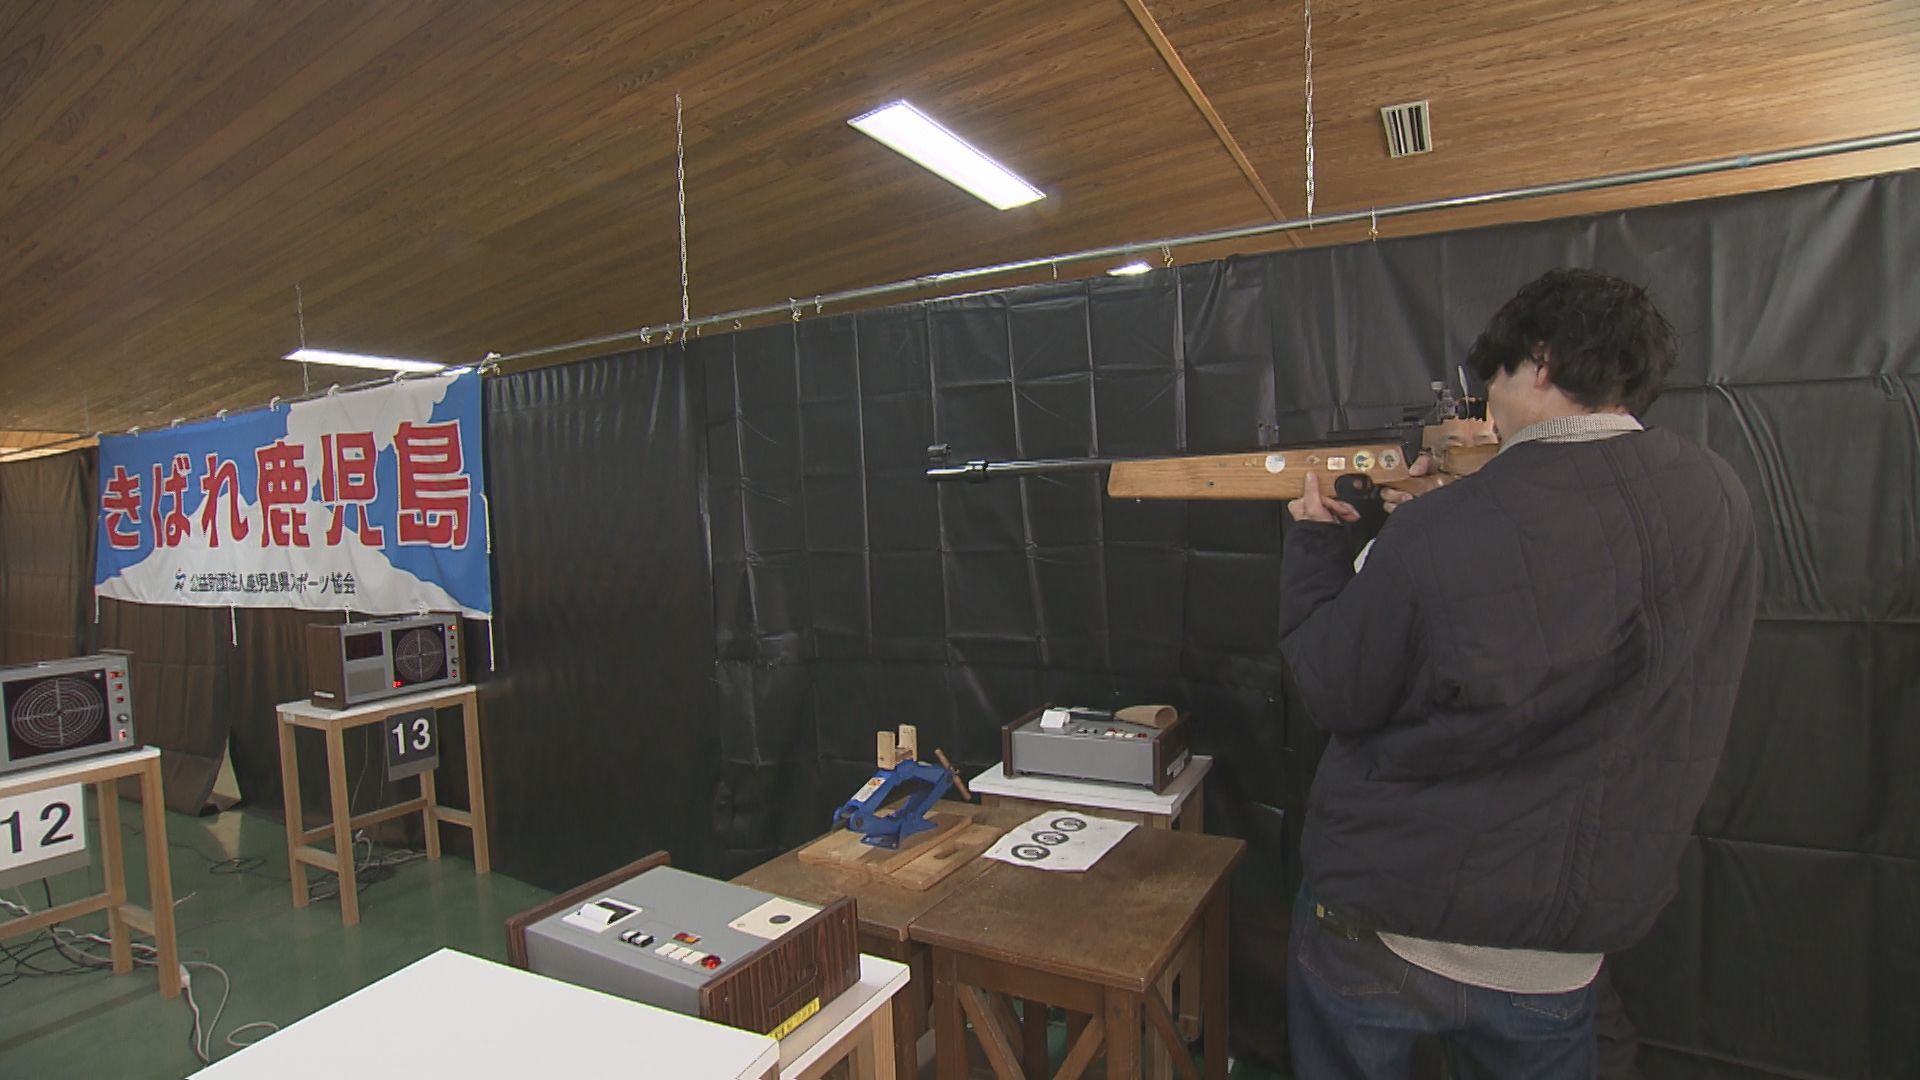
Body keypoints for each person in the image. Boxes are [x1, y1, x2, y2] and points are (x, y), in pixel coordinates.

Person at [1277, 268, 1759, 1078]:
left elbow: (1333, 686)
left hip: (1389, 914)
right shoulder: (1718, 497)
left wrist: (1320, 546)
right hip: (1563, 944)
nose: (1487, 410)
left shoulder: (1439, 528)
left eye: (1491, 382)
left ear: (1540, 362)